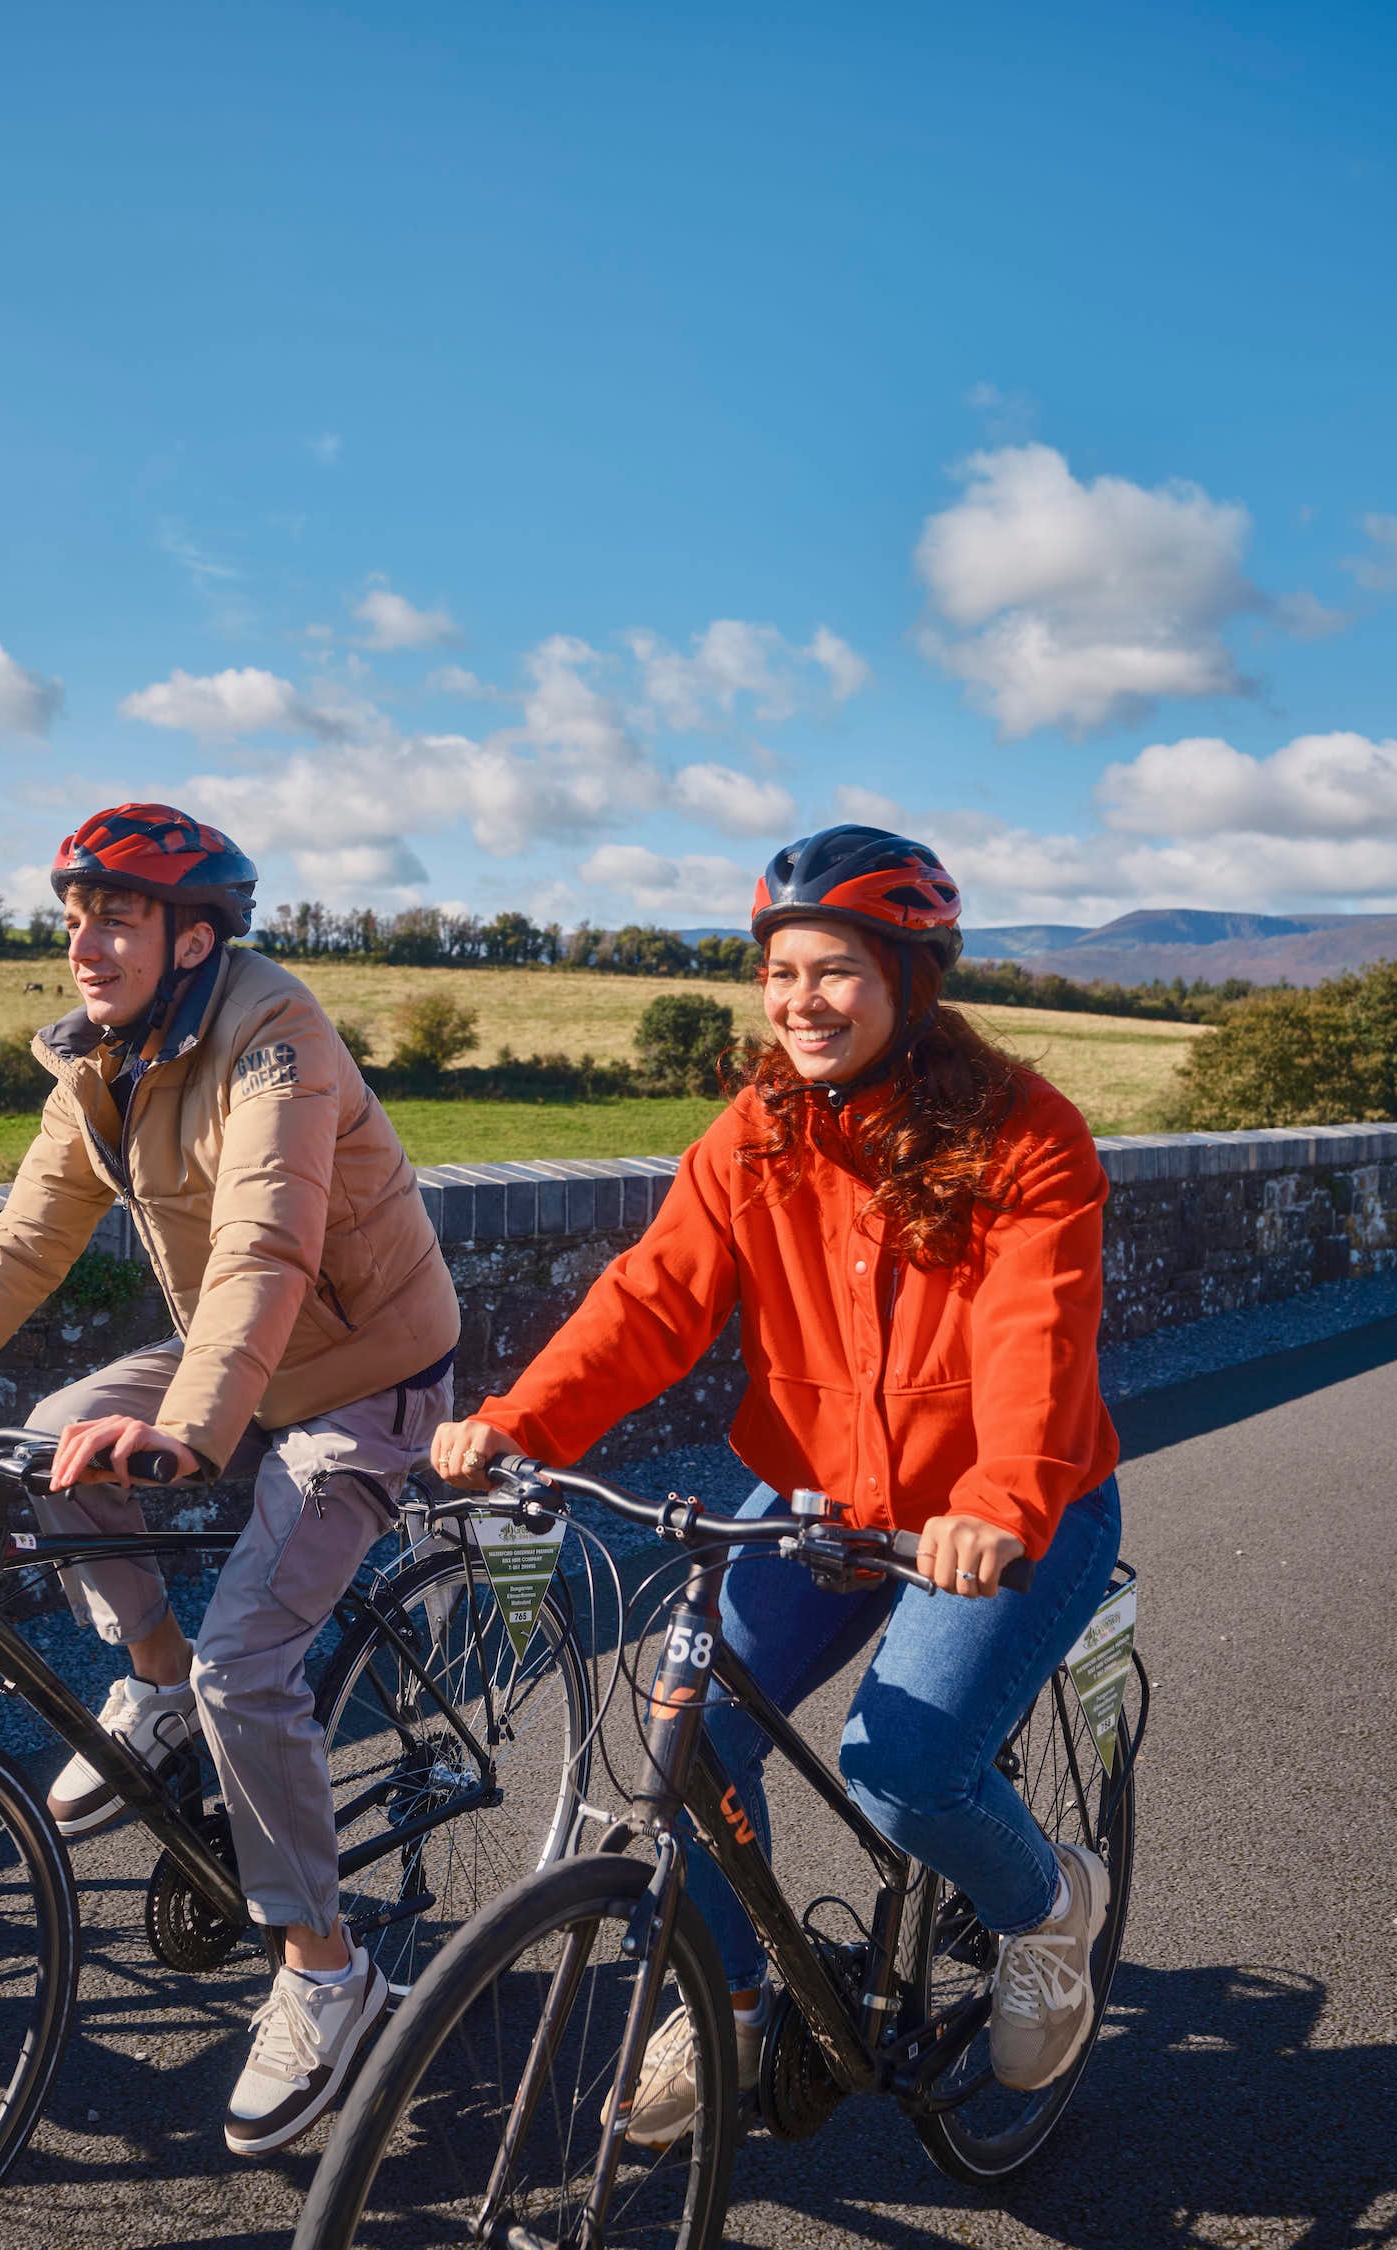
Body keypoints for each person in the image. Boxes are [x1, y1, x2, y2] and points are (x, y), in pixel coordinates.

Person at [430, 823, 1125, 2138]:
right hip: (816, 1500)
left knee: (904, 1769)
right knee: (689, 1727)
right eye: (781, 972)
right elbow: (650, 1302)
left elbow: (1035, 1337)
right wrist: (521, 1424)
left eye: (837, 971)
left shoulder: (1026, 1134)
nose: (802, 1000)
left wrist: (1000, 1500)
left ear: (911, 978)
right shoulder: (756, 1133)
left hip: (1007, 1512)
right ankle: (733, 2007)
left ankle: (1048, 1905)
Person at [0, 803, 461, 2156]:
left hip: (362, 1370)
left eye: (115, 918)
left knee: (251, 1664)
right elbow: (24, 1238)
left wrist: (193, 1428)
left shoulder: (277, 1032)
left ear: (194, 937)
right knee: (56, 1436)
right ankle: (152, 1678)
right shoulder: (99, 1061)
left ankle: (328, 1972)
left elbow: (269, 1244)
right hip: (241, 1351)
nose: (84, 944)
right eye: (74, 918)